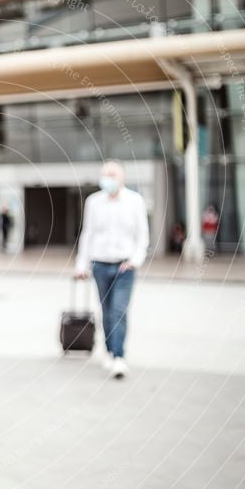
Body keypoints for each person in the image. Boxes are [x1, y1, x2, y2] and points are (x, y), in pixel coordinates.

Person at [73, 160, 149, 379]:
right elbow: (87, 234)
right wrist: (82, 264)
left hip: (125, 266)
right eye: (104, 174)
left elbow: (142, 235)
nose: (108, 178)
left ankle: (119, 356)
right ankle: (108, 350)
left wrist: (135, 260)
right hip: (100, 265)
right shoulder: (93, 202)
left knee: (119, 311)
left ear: (122, 177)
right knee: (106, 312)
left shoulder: (135, 201)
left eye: (112, 174)